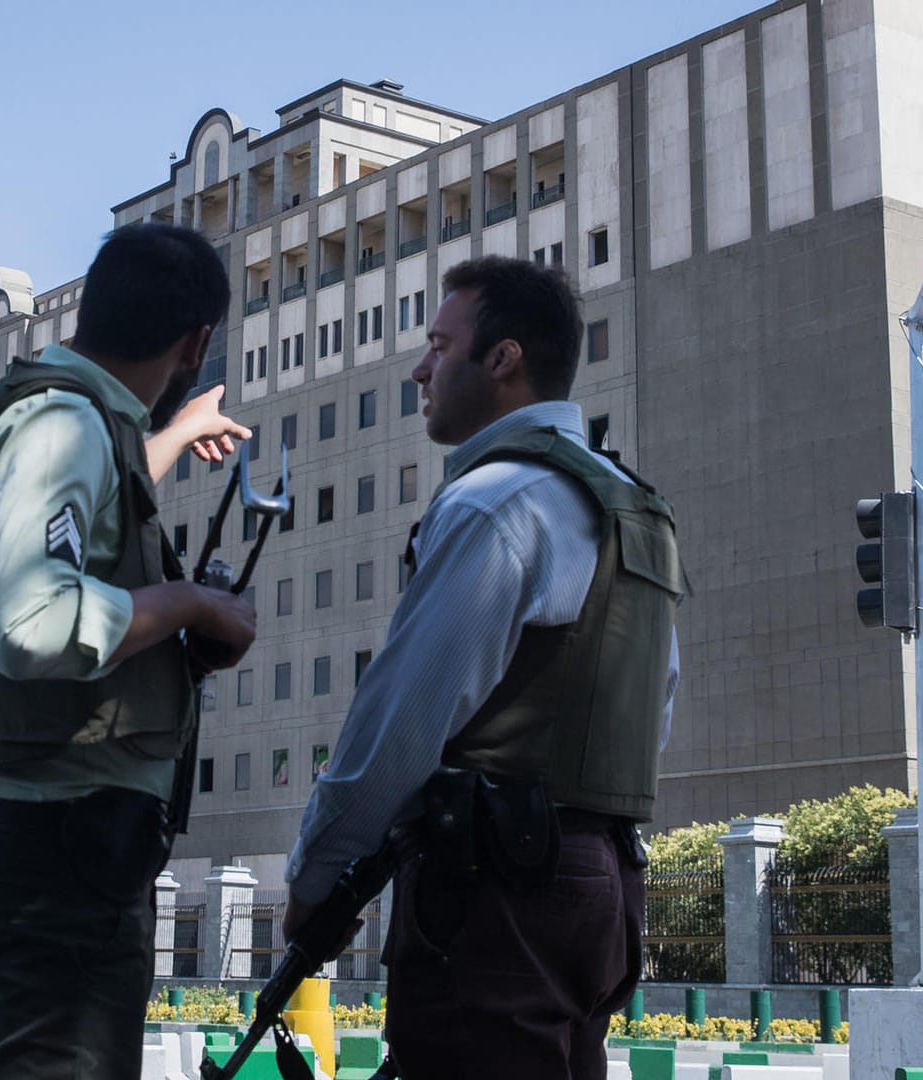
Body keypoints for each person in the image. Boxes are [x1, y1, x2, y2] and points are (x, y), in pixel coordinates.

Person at [284, 256, 686, 1079]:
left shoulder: (492, 502)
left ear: (502, 358)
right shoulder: (632, 505)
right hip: (603, 880)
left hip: (496, 887)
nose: (419, 369)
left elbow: (402, 718)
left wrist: (318, 874)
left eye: (439, 344)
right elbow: (657, 702)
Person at [0, 222, 258, 1079]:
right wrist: (186, 602)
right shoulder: (61, 424)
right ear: (197, 341)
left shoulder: (76, 422)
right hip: (57, 855)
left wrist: (177, 436)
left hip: (65, 849)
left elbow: (88, 508)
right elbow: (33, 620)